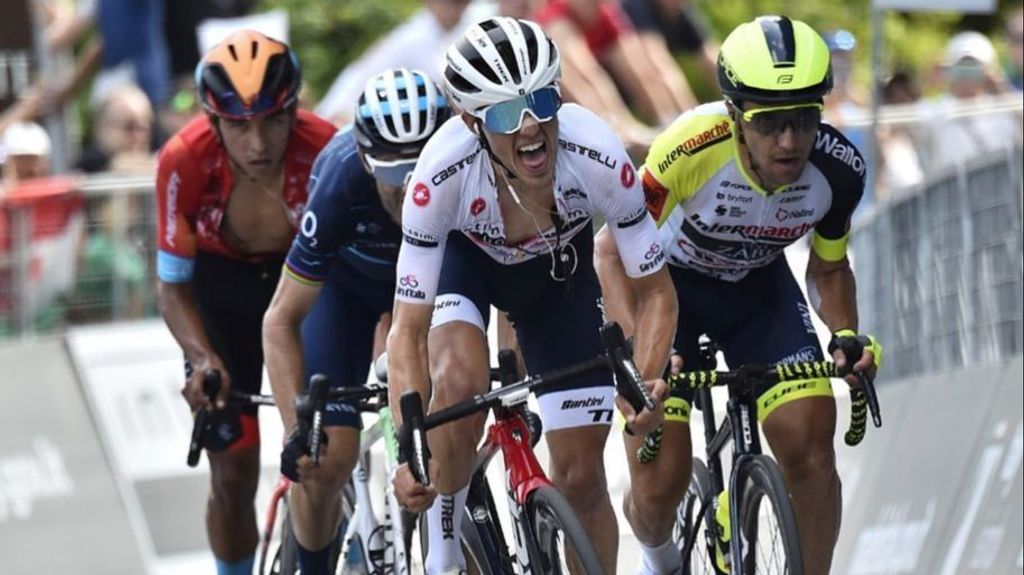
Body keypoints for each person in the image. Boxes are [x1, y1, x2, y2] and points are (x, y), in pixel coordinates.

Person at [386, 17, 677, 574]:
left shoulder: (596, 154)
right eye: (502, 112)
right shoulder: (438, 177)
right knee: (459, 384)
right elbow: (408, 330)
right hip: (466, 270)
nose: (529, 128)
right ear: (472, 121)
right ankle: (442, 546)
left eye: (541, 100)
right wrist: (408, 447)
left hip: (557, 279)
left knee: (582, 477)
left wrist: (646, 378)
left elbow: (656, 291)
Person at [594, 15, 882, 575]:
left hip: (758, 293)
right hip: (665, 294)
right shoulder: (688, 148)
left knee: (812, 444)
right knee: (658, 488)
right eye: (770, 122)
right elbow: (611, 253)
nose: (789, 141)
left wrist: (846, 335)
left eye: (803, 120)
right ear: (733, 117)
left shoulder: (838, 172)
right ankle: (661, 561)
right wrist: (636, 354)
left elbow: (828, 269)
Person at [154, 30, 335, 575]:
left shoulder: (326, 147)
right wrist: (203, 358)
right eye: (238, 126)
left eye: (272, 122)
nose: (257, 144)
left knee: (324, 451)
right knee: (232, 476)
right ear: (213, 121)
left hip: (301, 285)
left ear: (294, 110)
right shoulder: (183, 161)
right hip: (220, 293)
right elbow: (172, 286)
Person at [261, 68, 451, 575]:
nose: (411, 187)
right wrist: (293, 429)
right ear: (367, 162)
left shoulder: (465, 167)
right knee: (326, 458)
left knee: (450, 422)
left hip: (423, 291)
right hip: (345, 294)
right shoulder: (340, 179)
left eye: (424, 166)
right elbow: (280, 320)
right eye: (393, 173)